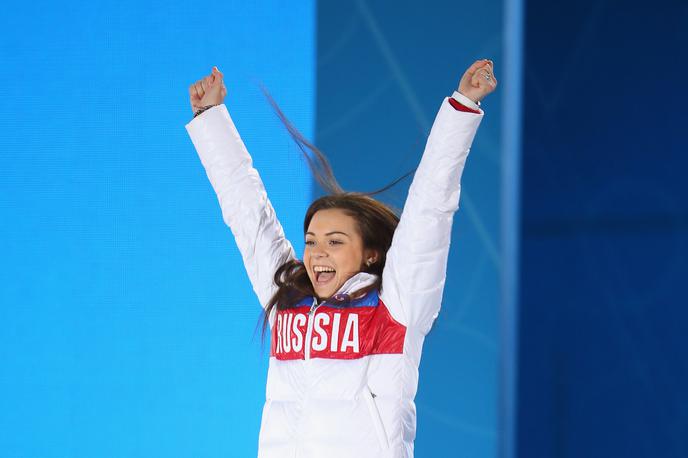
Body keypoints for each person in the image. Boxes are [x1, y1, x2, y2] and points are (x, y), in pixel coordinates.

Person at [186, 60, 497, 458]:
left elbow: (430, 209)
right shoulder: (288, 303)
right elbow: (248, 215)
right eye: (311, 241)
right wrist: (210, 118)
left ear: (371, 253)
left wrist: (463, 106)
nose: (317, 255)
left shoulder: (396, 307)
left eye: (335, 242)